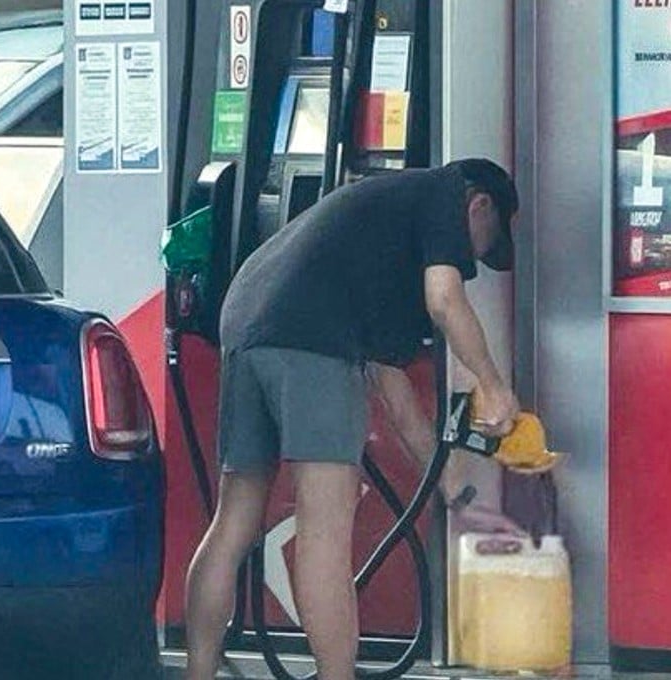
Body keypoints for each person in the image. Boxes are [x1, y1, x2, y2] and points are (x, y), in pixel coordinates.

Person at [184, 158, 523, 680]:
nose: (471, 260)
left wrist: (458, 493)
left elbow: (397, 396)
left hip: (244, 323)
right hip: (312, 341)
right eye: (482, 247)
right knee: (325, 534)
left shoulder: (380, 239)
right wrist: (494, 387)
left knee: (233, 521)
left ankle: (198, 673)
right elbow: (445, 299)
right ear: (479, 207)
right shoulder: (442, 194)